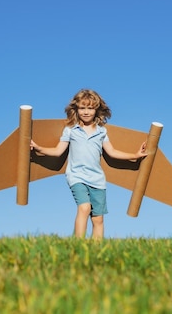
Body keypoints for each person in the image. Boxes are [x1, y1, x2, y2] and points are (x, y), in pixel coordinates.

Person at [30, 89, 148, 239]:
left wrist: (135, 155)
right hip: (77, 176)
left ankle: (96, 251)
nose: (86, 112)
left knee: (98, 219)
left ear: (96, 110)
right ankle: (78, 244)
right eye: (82, 108)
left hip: (97, 180)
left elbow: (112, 152)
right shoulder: (71, 130)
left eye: (90, 108)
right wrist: (39, 148)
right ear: (76, 109)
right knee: (84, 208)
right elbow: (58, 151)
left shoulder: (101, 132)